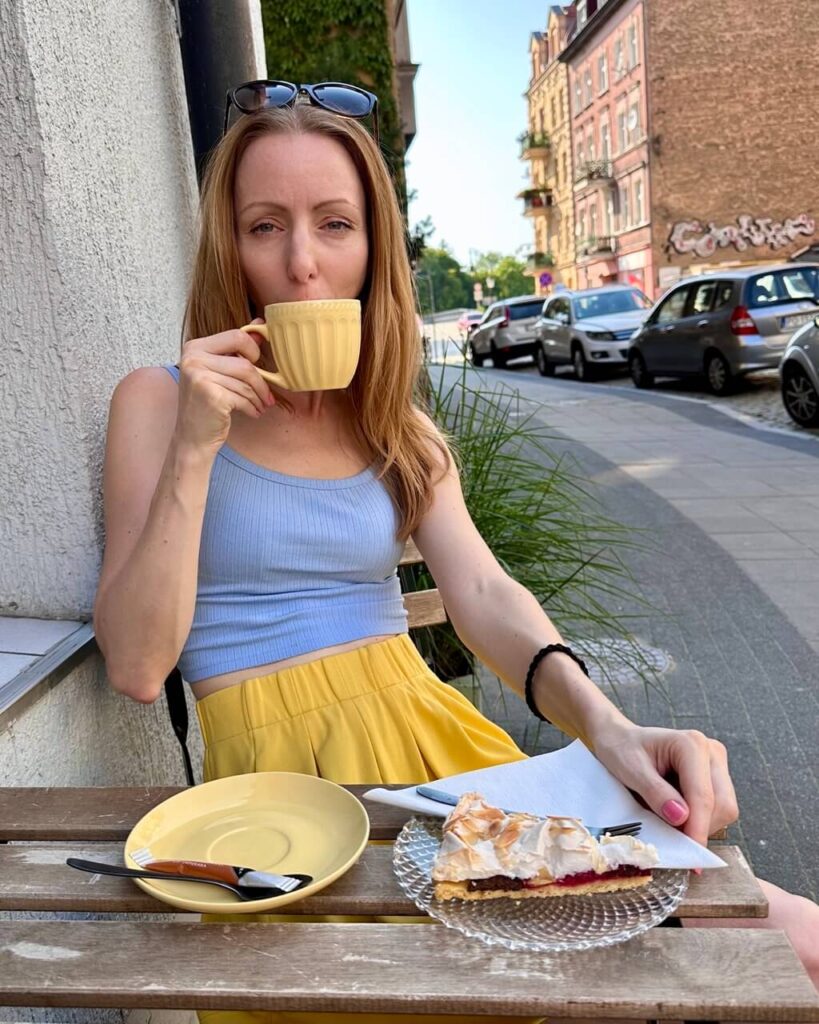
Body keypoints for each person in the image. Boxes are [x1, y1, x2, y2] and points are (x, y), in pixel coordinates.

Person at [93, 82, 818, 1023]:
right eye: (264, 225)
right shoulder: (156, 403)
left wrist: (604, 727)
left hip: (432, 762)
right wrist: (197, 442)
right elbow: (141, 667)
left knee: (783, 940)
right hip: (285, 798)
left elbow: (479, 588)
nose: (303, 262)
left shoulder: (396, 426)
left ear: (372, 248)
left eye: (335, 224)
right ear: (225, 244)